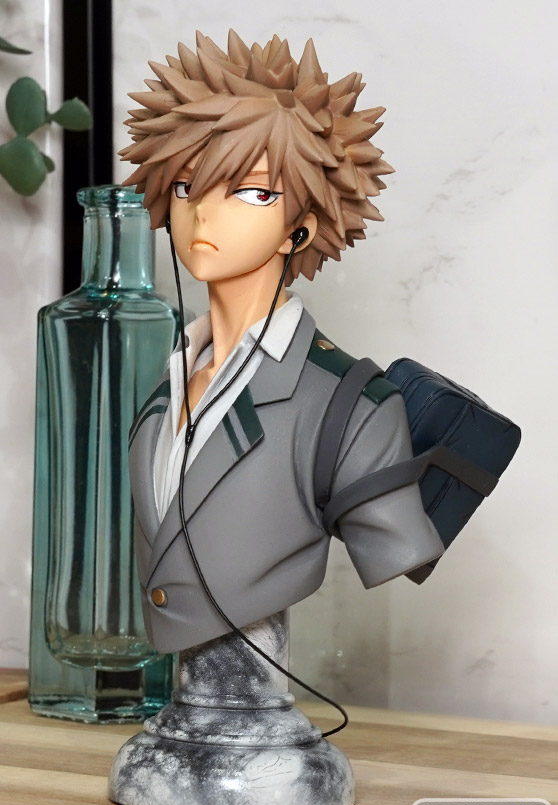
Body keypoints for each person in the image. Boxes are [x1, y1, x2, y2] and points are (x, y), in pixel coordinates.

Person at [119, 30, 444, 655]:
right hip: (178, 686)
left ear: (300, 229)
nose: (203, 213)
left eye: (251, 191)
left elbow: (392, 539)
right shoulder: (169, 382)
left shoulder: (352, 406)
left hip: (261, 679)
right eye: (185, 186)